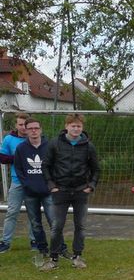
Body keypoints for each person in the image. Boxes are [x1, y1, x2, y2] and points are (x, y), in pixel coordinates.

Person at [40, 113, 100, 270]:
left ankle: (77, 257)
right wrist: (51, 185)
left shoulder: (88, 146)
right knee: (57, 226)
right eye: (73, 125)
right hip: (60, 191)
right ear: (66, 126)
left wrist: (91, 185)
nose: (76, 129)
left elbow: (96, 169)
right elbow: (45, 166)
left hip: (81, 191)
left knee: (80, 226)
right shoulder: (55, 144)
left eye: (79, 126)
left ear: (82, 128)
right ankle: (53, 258)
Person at [13, 117, 52, 256]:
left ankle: (60, 248)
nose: (34, 131)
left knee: (54, 222)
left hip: (49, 191)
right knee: (35, 223)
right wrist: (27, 185)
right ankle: (42, 249)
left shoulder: (50, 146)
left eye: (36, 128)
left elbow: (57, 166)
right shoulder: (21, 148)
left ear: (41, 130)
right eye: (30, 128)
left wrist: (52, 184)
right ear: (26, 130)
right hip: (30, 193)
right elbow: (18, 169)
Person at [0, 112, 37, 253]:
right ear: (16, 125)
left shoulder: (35, 138)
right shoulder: (9, 139)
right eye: (20, 124)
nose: (23, 127)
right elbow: (2, 158)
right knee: (11, 212)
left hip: (34, 182)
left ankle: (35, 241)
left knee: (33, 213)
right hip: (17, 182)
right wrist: (18, 157)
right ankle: (5, 242)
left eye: (25, 125)